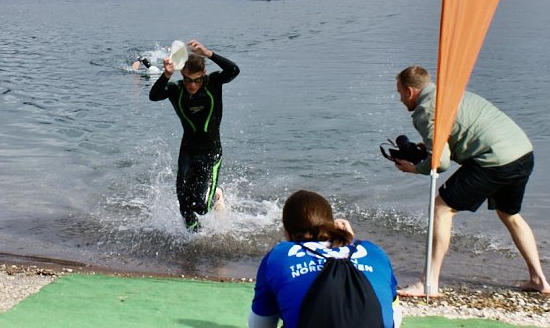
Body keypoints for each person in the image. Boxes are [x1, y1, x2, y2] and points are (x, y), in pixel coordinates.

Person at [393, 65, 550, 296]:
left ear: (409, 91)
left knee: (441, 208)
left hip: (494, 161)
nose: (400, 99)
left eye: (399, 93)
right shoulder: (453, 93)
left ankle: (429, 283)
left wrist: (416, 168)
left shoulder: (424, 111)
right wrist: (429, 150)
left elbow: (442, 162)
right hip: (523, 153)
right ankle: (539, 280)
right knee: (510, 214)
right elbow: (462, 132)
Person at [249, 190, 400, 328]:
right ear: (331, 223)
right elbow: (393, 314)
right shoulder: (373, 251)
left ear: (287, 232)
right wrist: (350, 241)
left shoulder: (280, 255)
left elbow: (260, 324)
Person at [149, 39, 239, 230]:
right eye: (188, 80)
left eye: (197, 80)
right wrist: (166, 74)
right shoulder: (176, 90)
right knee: (184, 206)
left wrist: (207, 53)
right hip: (188, 152)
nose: (192, 85)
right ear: (182, 75)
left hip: (211, 153)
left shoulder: (213, 83)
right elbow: (154, 96)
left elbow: (233, 70)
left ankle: (217, 196)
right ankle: (194, 241)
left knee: (201, 206)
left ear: (203, 75)